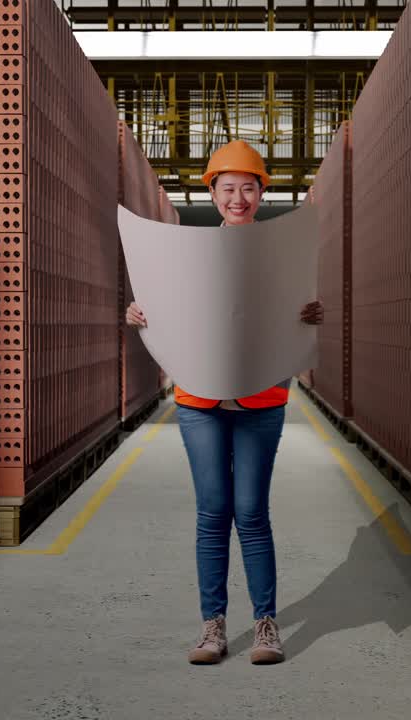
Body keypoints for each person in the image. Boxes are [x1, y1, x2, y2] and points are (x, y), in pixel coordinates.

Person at [125, 140, 324, 665]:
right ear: (211, 192)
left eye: (249, 187)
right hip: (199, 400)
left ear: (263, 192)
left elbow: (300, 315)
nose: (239, 197)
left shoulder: (284, 254)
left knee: (251, 513)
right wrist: (141, 315)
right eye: (228, 187)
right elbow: (163, 306)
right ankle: (212, 628)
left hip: (261, 399)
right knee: (214, 512)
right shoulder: (187, 255)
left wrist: (312, 316)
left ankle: (265, 626)